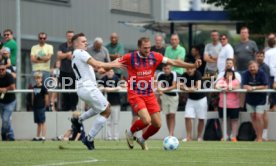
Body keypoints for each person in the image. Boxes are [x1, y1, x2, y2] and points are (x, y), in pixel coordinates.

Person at [122, 37, 201, 150]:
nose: (148, 50)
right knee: (147, 120)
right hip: (135, 93)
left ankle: (142, 139)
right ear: (139, 47)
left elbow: (174, 62)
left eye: (149, 47)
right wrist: (97, 64)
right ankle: (130, 133)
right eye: (145, 48)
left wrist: (192, 66)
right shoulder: (130, 57)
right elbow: (113, 63)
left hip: (149, 93)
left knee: (157, 124)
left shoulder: (155, 56)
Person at [71, 33, 123, 150]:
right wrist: (114, 63)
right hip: (88, 88)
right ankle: (89, 138)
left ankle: (78, 120)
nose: (86, 43)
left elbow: (99, 69)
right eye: (83, 41)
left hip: (83, 88)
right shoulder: (81, 53)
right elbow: (97, 63)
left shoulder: (76, 55)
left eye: (86, 41)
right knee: (107, 110)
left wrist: (109, 67)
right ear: (76, 44)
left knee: (98, 108)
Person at [179, 67, 207, 142]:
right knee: (187, 117)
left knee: (201, 118)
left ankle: (199, 137)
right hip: (191, 99)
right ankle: (189, 137)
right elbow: (180, 85)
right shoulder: (184, 75)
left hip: (201, 99)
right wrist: (186, 88)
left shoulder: (198, 74)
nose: (189, 70)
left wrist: (188, 88)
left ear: (194, 69)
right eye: (188, 68)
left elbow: (197, 86)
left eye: (191, 68)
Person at [243, 61, 268, 142]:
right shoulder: (246, 73)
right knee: (253, 117)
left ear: (258, 67)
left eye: (254, 67)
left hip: (261, 99)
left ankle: (260, 137)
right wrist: (247, 87)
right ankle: (257, 136)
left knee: (259, 117)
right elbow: (244, 85)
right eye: (250, 67)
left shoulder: (262, 73)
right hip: (250, 99)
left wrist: (253, 88)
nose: (252, 68)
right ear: (248, 68)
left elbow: (265, 86)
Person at [215, 69, 240, 142]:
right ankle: (224, 136)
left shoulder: (236, 81)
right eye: (227, 74)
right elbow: (216, 86)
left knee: (234, 121)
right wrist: (225, 87)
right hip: (222, 105)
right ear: (225, 74)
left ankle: (233, 136)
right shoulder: (221, 80)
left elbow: (237, 87)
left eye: (231, 74)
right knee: (223, 121)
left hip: (234, 105)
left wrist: (230, 87)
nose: (229, 75)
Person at [57, 30, 78, 111]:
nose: (70, 37)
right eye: (68, 36)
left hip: (73, 72)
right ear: (66, 36)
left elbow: (75, 57)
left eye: (71, 36)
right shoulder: (62, 45)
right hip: (63, 71)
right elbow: (59, 56)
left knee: (74, 90)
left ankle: (73, 106)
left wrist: (65, 55)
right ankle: (65, 107)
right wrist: (67, 54)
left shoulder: (76, 46)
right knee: (64, 90)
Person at [98, 69, 121, 141]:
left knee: (116, 121)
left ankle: (116, 137)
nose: (110, 73)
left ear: (113, 72)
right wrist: (104, 88)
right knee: (108, 121)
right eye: (108, 71)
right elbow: (98, 86)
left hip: (116, 103)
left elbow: (120, 87)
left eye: (111, 71)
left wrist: (109, 89)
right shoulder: (104, 79)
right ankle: (109, 137)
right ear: (106, 72)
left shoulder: (116, 78)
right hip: (106, 104)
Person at [156, 64, 178, 136]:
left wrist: (164, 90)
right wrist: (160, 90)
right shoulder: (160, 75)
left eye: (168, 68)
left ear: (171, 68)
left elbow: (174, 86)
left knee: (172, 115)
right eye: (165, 69)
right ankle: (170, 133)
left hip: (173, 96)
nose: (166, 70)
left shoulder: (174, 74)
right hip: (164, 97)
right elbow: (157, 86)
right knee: (167, 115)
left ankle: (171, 133)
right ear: (162, 69)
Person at [256, 51, 270, 141]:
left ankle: (265, 135)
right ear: (256, 56)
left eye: (261, 56)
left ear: (264, 57)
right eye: (258, 56)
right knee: (257, 115)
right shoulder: (253, 66)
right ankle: (259, 135)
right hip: (255, 94)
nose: (260, 57)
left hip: (264, 94)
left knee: (264, 114)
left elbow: (266, 81)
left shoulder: (265, 67)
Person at [0, 62, 16, 141]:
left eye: (3, 69)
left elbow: (13, 87)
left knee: (5, 119)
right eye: (0, 69)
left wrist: (5, 89)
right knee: (5, 120)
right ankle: (11, 135)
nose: (1, 71)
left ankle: (3, 135)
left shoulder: (9, 76)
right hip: (0, 101)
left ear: (5, 69)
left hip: (10, 102)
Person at [32, 72, 49, 141]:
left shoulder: (43, 88)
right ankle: (38, 136)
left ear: (41, 79)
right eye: (36, 78)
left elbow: (46, 97)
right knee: (38, 122)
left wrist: (45, 105)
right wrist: (32, 104)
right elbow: (33, 96)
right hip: (35, 106)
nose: (37, 80)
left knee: (42, 122)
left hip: (41, 106)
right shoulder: (34, 87)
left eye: (39, 78)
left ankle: (43, 136)